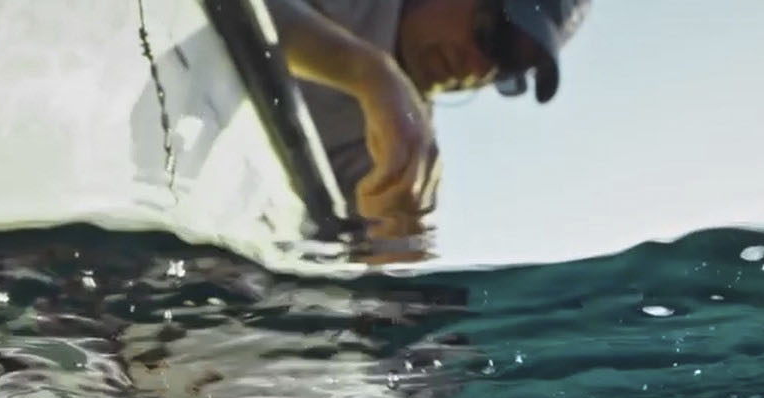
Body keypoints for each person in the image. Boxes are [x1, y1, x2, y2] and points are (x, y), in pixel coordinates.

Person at [132, 1, 589, 255]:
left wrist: (393, 243)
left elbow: (347, 282)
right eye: (496, 34)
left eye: (509, 69)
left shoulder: (408, 162)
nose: (481, 66)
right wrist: (369, 73)